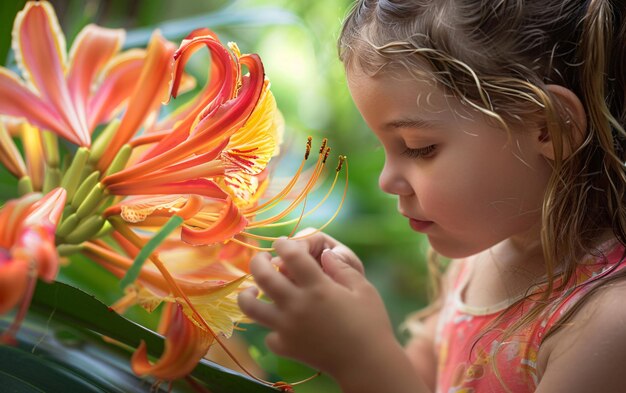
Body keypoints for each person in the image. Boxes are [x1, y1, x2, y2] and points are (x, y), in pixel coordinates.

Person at [237, 0, 626, 392]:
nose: (387, 181)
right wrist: (349, 315)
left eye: (418, 147)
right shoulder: (479, 257)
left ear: (548, 128)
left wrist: (361, 358)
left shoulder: (606, 323)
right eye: (382, 147)